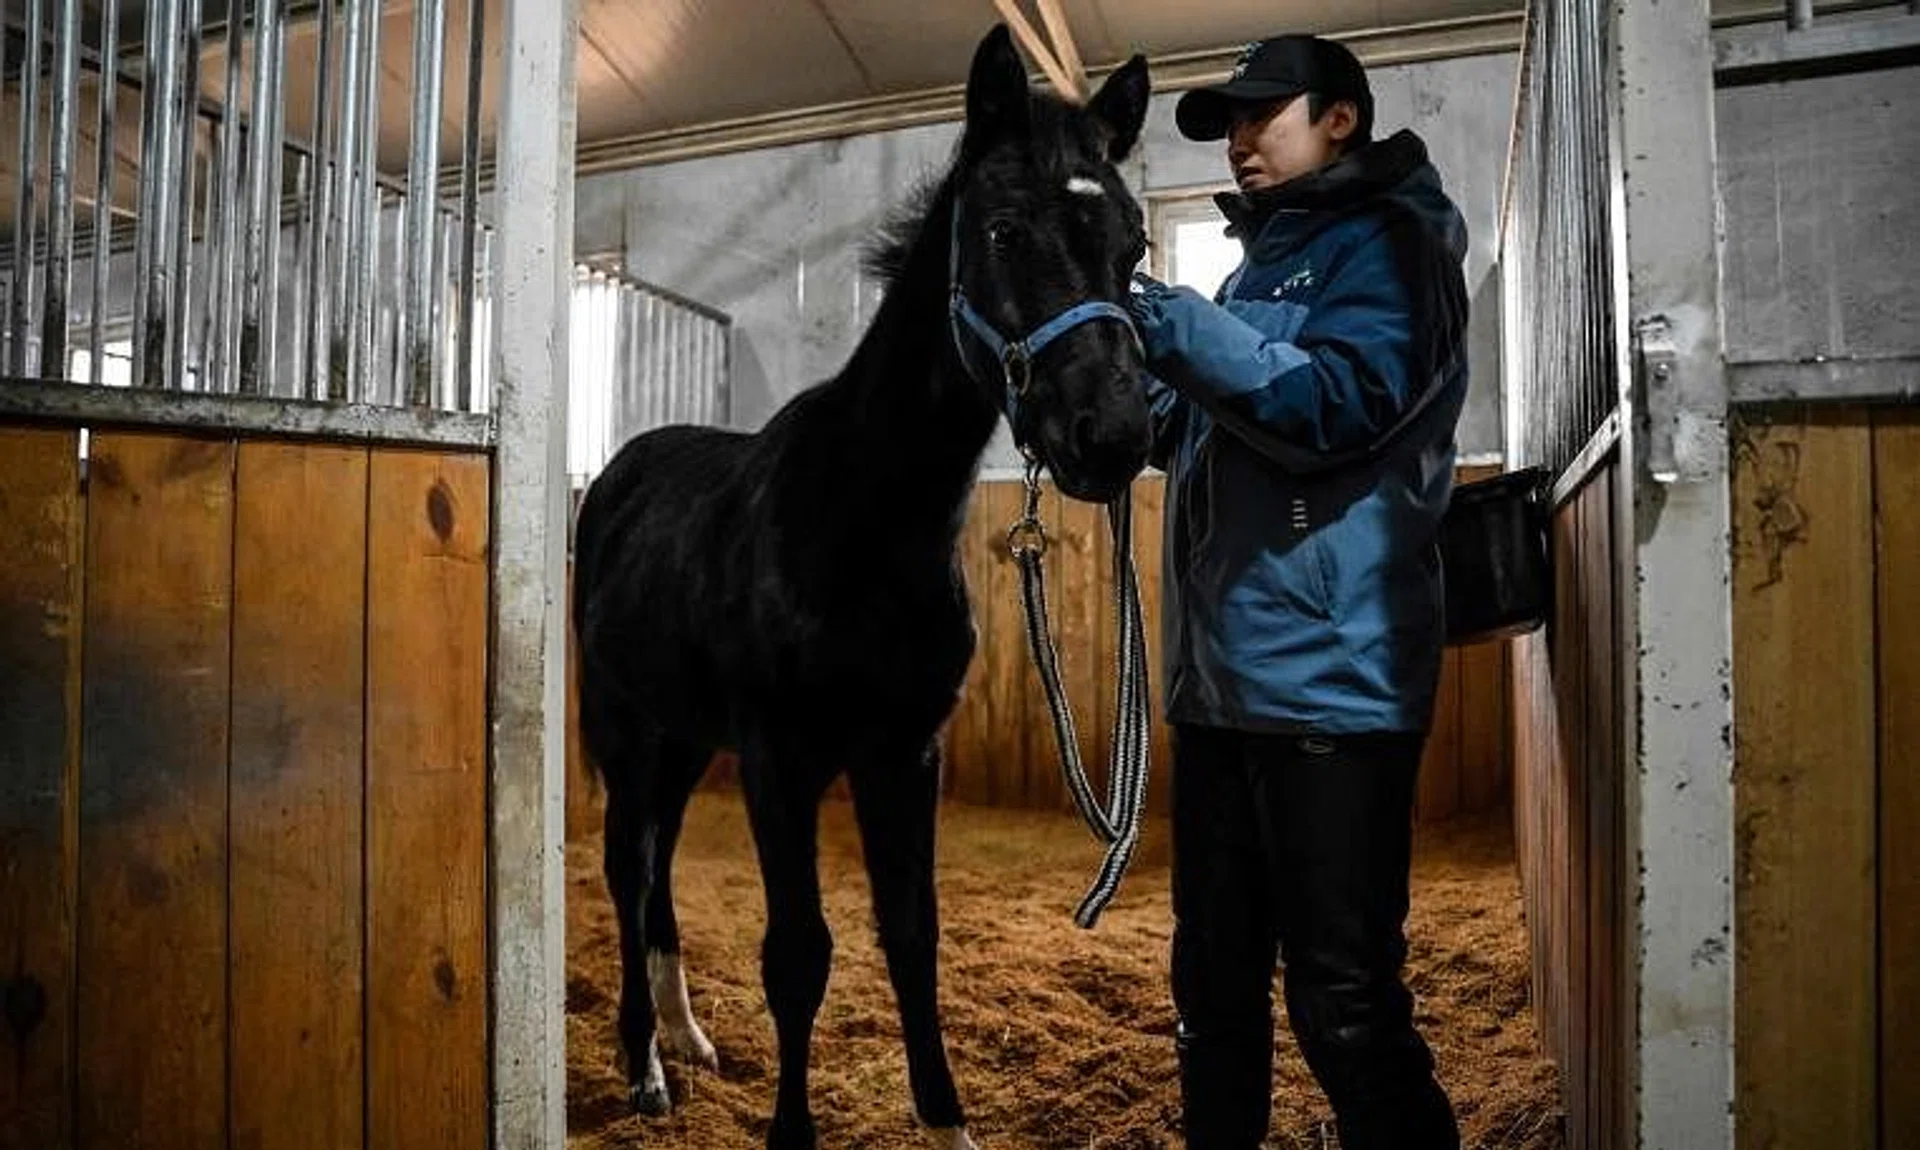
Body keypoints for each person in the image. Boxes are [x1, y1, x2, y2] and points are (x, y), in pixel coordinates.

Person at [1122, 33, 1470, 1150]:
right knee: (1212, 988)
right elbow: (1193, 430)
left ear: (1340, 119)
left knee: (1345, 1000)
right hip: (1221, 686)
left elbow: (1343, 405)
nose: (1238, 140)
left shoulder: (1396, 243)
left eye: (1262, 115)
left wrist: (1175, 327)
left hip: (1334, 685)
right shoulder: (1254, 269)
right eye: (1230, 122)